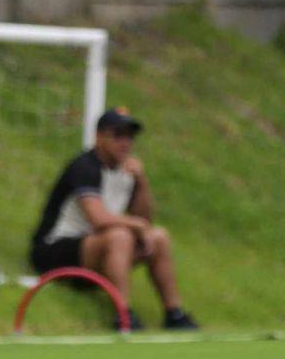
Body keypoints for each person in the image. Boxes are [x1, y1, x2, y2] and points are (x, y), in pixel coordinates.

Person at [29, 108, 198, 331]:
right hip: (57, 250)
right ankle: (123, 314)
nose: (125, 142)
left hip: (98, 247)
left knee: (159, 236)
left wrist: (142, 182)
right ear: (99, 137)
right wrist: (135, 225)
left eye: (129, 136)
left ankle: (174, 314)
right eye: (118, 135)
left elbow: (145, 218)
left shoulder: (127, 171)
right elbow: (98, 218)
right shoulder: (84, 166)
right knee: (120, 236)